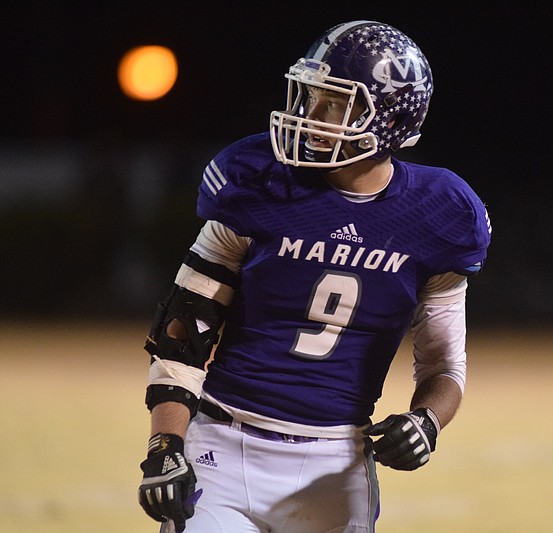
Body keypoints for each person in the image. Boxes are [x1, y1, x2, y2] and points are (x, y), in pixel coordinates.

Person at [136, 20, 491, 533]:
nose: (309, 114)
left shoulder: (440, 212)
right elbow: (183, 336)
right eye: (311, 96)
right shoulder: (257, 180)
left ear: (388, 117)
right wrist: (165, 444)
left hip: (336, 459)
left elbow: (443, 366)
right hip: (221, 439)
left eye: (333, 103)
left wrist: (427, 421)